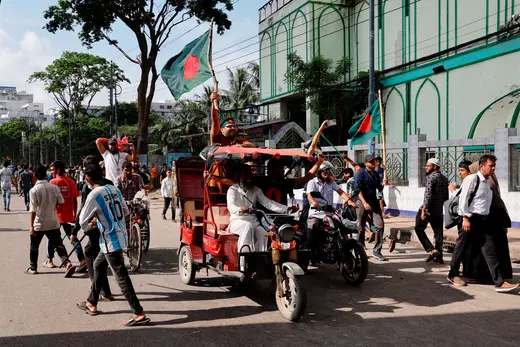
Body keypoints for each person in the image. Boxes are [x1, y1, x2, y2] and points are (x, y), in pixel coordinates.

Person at [77, 164, 149, 326]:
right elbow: (124, 211)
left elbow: (82, 221)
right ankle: (91, 302)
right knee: (98, 266)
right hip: (119, 235)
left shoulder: (94, 194)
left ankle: (138, 312)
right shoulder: (113, 189)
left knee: (121, 276)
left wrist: (91, 226)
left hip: (110, 239)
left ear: (88, 179)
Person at [447, 155, 519, 293]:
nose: (493, 168)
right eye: (490, 166)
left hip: (483, 222)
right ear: (482, 166)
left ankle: (499, 282)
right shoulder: (472, 179)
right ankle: (453, 273)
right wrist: (465, 218)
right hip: (470, 219)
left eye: (494, 166)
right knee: (461, 247)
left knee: (490, 250)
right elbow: (463, 199)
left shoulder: (487, 183)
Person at [227, 165, 294, 258]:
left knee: (264, 234)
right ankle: (244, 259)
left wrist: (287, 209)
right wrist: (240, 209)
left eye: (250, 176)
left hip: (253, 221)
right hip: (237, 221)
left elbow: (269, 203)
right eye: (246, 176)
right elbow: (231, 206)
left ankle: (260, 259)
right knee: (247, 226)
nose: (249, 179)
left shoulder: (256, 190)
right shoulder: (232, 190)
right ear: (240, 177)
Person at [73, 156, 113, 301]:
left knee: (92, 254)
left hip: (96, 227)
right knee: (99, 256)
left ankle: (97, 291)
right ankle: (104, 290)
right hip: (110, 227)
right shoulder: (109, 184)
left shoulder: (89, 188)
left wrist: (75, 229)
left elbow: (83, 210)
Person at [26, 164, 76, 276]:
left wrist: (31, 226)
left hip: (39, 222)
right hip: (53, 221)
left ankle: (33, 267)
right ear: (46, 175)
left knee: (34, 246)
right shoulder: (54, 188)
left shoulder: (34, 190)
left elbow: (33, 210)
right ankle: (67, 263)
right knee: (58, 244)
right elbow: (61, 202)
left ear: (35, 176)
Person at [307, 162, 357, 259]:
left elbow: (340, 192)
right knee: (313, 225)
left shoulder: (331, 182)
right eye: (324, 171)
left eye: (328, 171)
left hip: (329, 212)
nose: (326, 173)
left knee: (341, 225)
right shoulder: (312, 182)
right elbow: (309, 195)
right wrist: (315, 203)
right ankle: (310, 250)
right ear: (319, 172)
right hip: (316, 213)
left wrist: (350, 201)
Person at [45, 160, 86, 272]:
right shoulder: (71, 182)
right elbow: (75, 200)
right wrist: (74, 213)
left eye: (53, 170)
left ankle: (50, 260)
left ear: (58, 169)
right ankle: (82, 260)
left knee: (52, 239)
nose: (51, 172)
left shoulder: (52, 182)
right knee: (73, 238)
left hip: (55, 216)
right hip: (69, 215)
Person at [414, 158, 449, 264]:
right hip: (438, 211)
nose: (426, 167)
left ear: (434, 166)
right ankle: (439, 257)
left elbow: (428, 195)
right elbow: (446, 197)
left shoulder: (431, 178)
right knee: (438, 234)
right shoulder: (444, 178)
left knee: (419, 229)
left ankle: (431, 249)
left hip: (428, 209)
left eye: (428, 165)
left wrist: (424, 210)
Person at [353, 155, 388, 261]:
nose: (373, 163)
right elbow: (357, 190)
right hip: (361, 201)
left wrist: (383, 184)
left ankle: (377, 251)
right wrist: (364, 203)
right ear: (365, 163)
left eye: (374, 161)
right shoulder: (360, 174)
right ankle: (358, 251)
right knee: (360, 227)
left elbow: (379, 188)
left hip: (373, 202)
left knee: (380, 225)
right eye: (371, 161)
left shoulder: (376, 174)